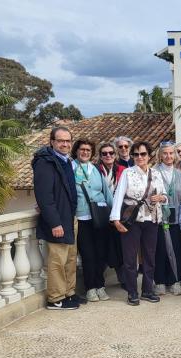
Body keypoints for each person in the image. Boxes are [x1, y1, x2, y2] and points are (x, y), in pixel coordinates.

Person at [110, 141, 168, 306]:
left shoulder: (156, 174)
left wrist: (161, 198)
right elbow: (118, 196)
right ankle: (132, 292)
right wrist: (115, 220)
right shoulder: (128, 173)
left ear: (149, 156)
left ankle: (148, 290)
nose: (139, 157)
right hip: (132, 221)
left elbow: (164, 195)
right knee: (130, 258)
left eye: (143, 154)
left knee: (150, 257)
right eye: (136, 154)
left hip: (152, 220)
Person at [33, 127, 81, 310]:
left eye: (68, 141)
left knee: (70, 259)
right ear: (52, 142)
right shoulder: (45, 163)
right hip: (58, 221)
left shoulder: (65, 161)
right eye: (61, 140)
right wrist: (54, 222)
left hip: (69, 218)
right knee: (57, 261)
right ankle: (55, 298)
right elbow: (44, 196)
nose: (65, 144)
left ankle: (68, 293)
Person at [71, 139, 113, 302]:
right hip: (81, 217)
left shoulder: (95, 169)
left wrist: (113, 214)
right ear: (76, 151)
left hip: (99, 216)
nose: (85, 152)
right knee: (88, 255)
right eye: (82, 149)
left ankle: (100, 286)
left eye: (88, 150)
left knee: (100, 253)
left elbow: (106, 191)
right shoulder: (71, 168)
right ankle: (90, 288)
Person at [153, 141, 181, 296]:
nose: (168, 156)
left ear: (175, 155)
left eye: (171, 153)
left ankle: (174, 281)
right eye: (165, 153)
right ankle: (159, 282)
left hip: (174, 219)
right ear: (160, 155)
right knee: (160, 250)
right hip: (158, 218)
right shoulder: (154, 172)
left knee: (175, 249)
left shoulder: (179, 174)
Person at [95, 142, 127, 286]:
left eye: (111, 153)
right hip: (100, 214)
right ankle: (98, 282)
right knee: (100, 248)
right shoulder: (95, 171)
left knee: (120, 248)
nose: (108, 156)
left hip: (119, 215)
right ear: (100, 156)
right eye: (104, 153)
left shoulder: (122, 170)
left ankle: (124, 280)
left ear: (115, 155)